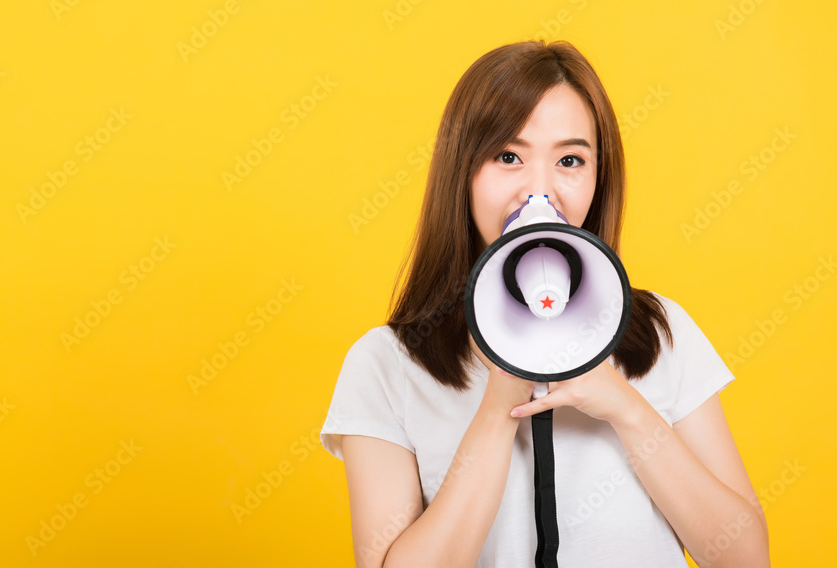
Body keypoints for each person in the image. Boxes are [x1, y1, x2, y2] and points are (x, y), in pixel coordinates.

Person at [319, 41, 769, 568]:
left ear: (600, 177)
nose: (541, 191)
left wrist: (625, 407)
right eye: (508, 157)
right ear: (461, 172)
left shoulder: (662, 333)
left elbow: (745, 558)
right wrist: (497, 406)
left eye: (571, 160)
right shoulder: (387, 364)